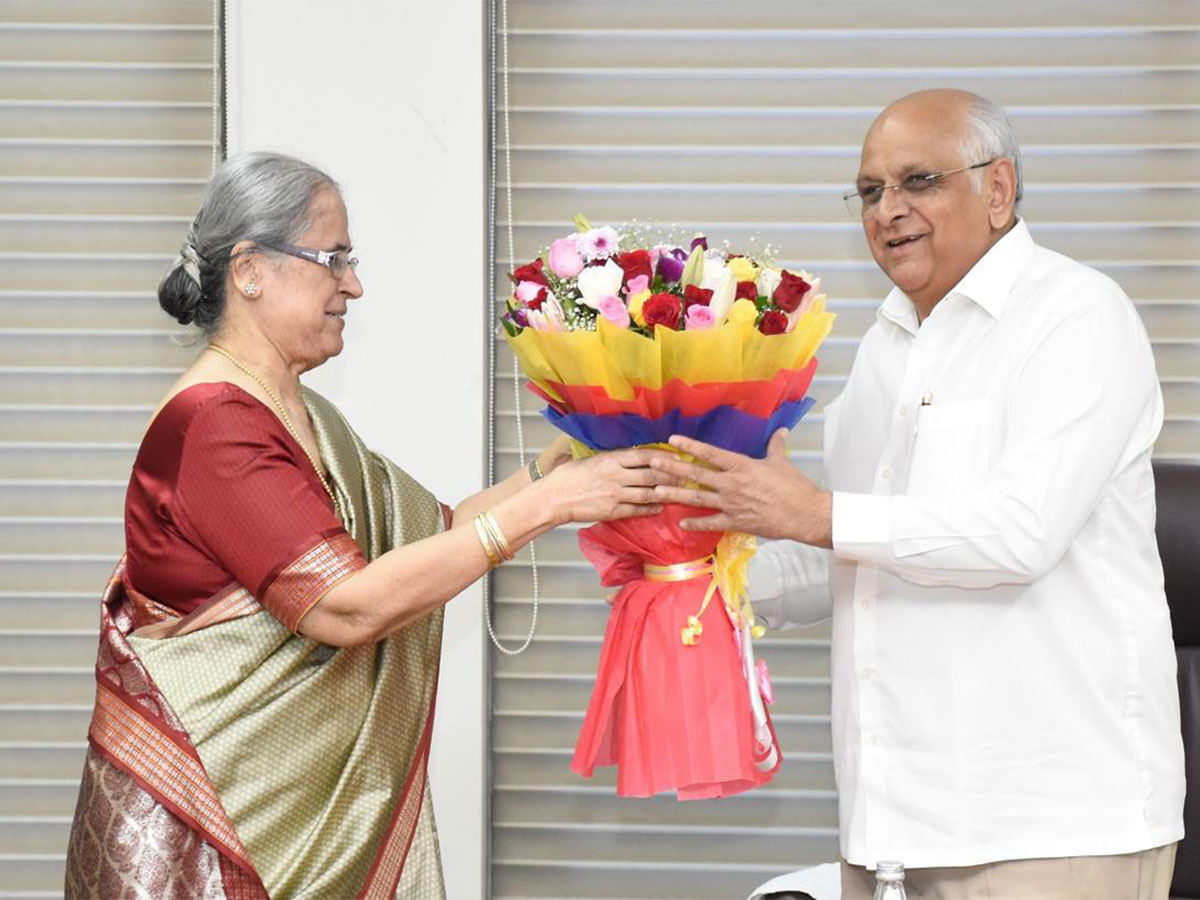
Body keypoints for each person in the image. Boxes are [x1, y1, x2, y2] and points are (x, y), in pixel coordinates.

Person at [63, 151, 669, 899]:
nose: (353, 284)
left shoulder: (299, 412)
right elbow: (346, 606)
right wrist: (551, 504)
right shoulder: (212, 424)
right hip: (213, 839)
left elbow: (434, 538)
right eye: (333, 258)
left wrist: (563, 463)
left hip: (276, 831)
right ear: (249, 270)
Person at [650, 90, 1185, 899]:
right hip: (893, 829)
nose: (888, 210)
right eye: (870, 192)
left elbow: (1018, 533)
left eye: (918, 182)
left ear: (997, 190)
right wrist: (677, 548)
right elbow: (846, 558)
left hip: (1050, 829)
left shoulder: (1077, 315)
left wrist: (817, 514)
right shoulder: (885, 349)